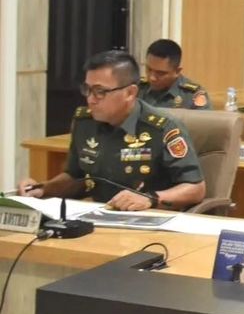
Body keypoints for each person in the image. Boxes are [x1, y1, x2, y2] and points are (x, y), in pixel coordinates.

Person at [17, 50, 205, 211]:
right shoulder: (85, 122)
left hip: (149, 220)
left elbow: (196, 188)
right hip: (99, 217)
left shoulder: (162, 127)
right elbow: (76, 177)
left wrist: (150, 199)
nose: (90, 99)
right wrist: (43, 189)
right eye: (87, 89)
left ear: (130, 93)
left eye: (100, 92)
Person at [136, 38, 211, 110]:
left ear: (177, 71)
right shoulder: (137, 87)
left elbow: (203, 118)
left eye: (161, 73)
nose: (152, 77)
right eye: (149, 69)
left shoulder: (192, 95)